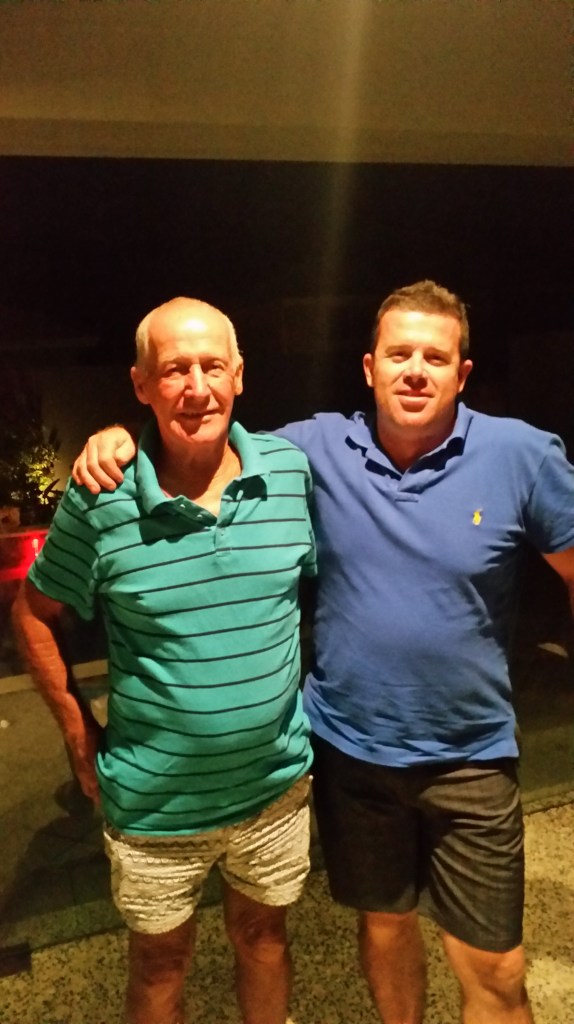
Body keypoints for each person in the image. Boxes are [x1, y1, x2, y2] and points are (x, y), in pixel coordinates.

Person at [71, 281, 574, 1024]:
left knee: (496, 968)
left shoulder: (522, 455)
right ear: (368, 367)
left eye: (435, 357)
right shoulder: (311, 452)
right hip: (352, 757)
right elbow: (202, 430)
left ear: (463, 373)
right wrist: (116, 437)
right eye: (398, 354)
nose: (415, 371)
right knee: (385, 927)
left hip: (471, 758)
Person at [12, 297, 317, 1024]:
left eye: (212, 366)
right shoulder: (102, 496)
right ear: (141, 384)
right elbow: (32, 614)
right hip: (155, 807)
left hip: (275, 790)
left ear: (239, 375)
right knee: (158, 966)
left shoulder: (290, 472)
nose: (197, 388)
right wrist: (78, 735)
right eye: (175, 369)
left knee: (265, 939)